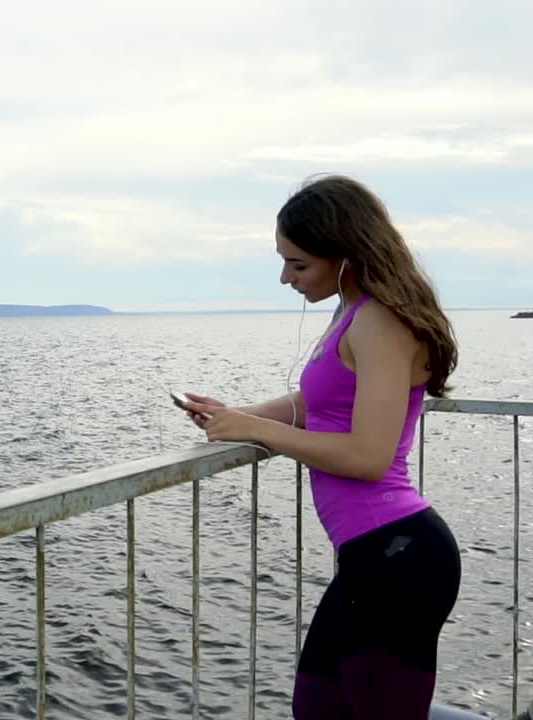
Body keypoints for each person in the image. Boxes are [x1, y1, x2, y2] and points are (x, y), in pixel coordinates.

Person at [181, 174, 462, 719]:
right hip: (373, 556)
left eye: (299, 264)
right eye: (283, 260)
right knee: (315, 706)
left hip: (398, 557)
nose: (285, 277)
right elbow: (319, 404)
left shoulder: (380, 321)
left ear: (346, 254)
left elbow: (367, 456)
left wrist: (259, 432)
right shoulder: (352, 312)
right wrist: (233, 415)